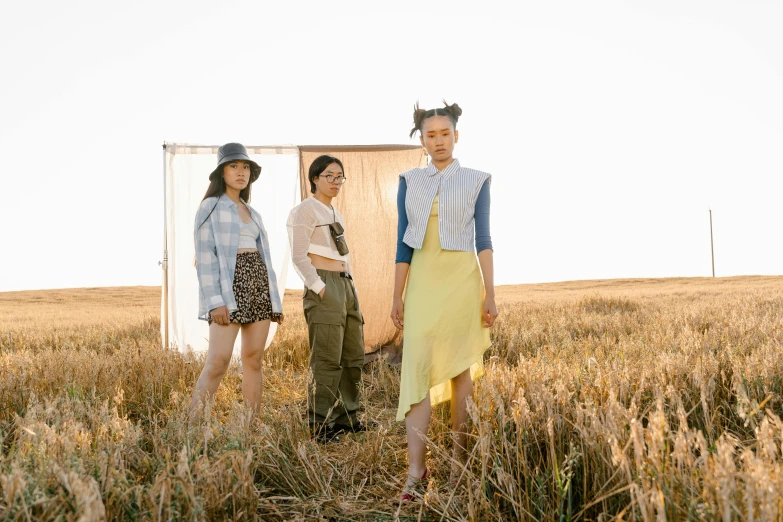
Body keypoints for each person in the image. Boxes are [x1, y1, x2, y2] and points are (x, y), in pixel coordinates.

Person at [391, 102, 498, 500]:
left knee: (459, 375)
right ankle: (416, 474)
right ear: (421, 139)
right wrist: (396, 295)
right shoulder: (408, 180)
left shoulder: (477, 179)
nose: (438, 140)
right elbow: (404, 240)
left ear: (457, 135)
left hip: (461, 283)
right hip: (421, 282)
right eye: (430, 134)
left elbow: (483, 240)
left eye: (445, 133)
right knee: (415, 371)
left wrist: (490, 293)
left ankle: (459, 465)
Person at [191, 143, 284, 417]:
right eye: (234, 166)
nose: (240, 172)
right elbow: (205, 256)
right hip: (227, 288)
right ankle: (192, 427)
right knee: (218, 361)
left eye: (245, 167)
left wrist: (273, 301)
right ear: (222, 172)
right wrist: (215, 301)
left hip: (257, 284)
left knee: (254, 359)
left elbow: (266, 260)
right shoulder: (210, 206)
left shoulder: (253, 212)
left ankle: (250, 427)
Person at [286, 155, 368, 443]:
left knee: (352, 355)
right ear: (315, 178)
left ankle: (348, 418)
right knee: (326, 358)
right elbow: (298, 256)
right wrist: (319, 287)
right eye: (329, 175)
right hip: (326, 285)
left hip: (346, 285)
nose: (335, 182)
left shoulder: (336, 214)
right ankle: (320, 425)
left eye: (339, 177)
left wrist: (348, 287)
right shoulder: (305, 210)